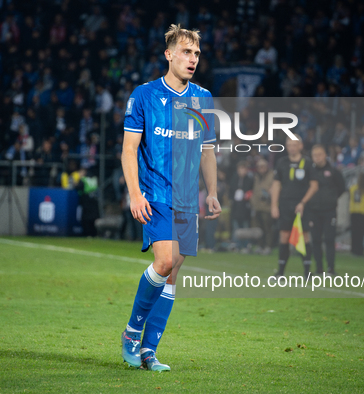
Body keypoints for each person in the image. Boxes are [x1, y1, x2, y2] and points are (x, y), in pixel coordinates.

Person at [121, 24, 220, 372]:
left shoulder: (203, 98)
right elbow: (129, 150)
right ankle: (132, 332)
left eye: (196, 54)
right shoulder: (145, 95)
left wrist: (212, 192)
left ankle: (149, 351)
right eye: (185, 52)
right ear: (169, 54)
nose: (192, 59)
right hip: (156, 194)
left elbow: (208, 151)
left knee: (174, 270)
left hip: (186, 198)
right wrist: (135, 193)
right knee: (163, 262)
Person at [270, 136, 319, 279]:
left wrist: (303, 202)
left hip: (303, 206)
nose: (291, 147)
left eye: (294, 144)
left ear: (300, 146)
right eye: (289, 144)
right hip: (285, 205)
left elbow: (314, 186)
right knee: (284, 236)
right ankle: (280, 272)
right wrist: (274, 205)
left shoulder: (308, 163)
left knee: (304, 237)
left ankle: (307, 272)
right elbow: (276, 185)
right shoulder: (282, 162)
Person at [307, 145, 346, 276]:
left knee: (329, 239)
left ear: (325, 155)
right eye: (314, 155)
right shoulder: (309, 172)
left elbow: (341, 187)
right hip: (313, 210)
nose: (317, 157)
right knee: (316, 240)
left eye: (319, 154)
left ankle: (331, 268)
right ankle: (319, 269)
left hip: (329, 211)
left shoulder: (334, 172)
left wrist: (331, 199)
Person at [250, 159, 275, 255]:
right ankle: (260, 245)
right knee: (258, 228)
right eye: (259, 167)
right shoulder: (256, 177)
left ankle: (268, 246)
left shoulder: (272, 175)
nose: (261, 169)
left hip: (267, 207)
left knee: (267, 228)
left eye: (263, 166)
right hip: (257, 206)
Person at [349, 173, 364, 255]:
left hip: (353, 212)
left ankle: (353, 250)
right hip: (362, 213)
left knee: (354, 233)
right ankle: (359, 251)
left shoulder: (353, 188)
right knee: (361, 234)